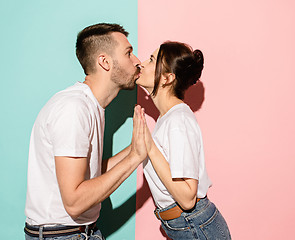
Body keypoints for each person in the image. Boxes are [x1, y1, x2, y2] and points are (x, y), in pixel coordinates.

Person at [24, 23, 147, 240]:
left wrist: (135, 149)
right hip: (62, 235)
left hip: (76, 233)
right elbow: (75, 202)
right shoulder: (74, 109)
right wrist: (134, 158)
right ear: (104, 62)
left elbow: (90, 174)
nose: (137, 60)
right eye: (128, 53)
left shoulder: (89, 105)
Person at [136, 41, 231, 239]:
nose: (142, 64)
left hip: (195, 226)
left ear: (167, 78)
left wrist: (150, 148)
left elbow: (187, 199)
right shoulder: (168, 118)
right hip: (186, 225)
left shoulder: (178, 120)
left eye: (152, 60)